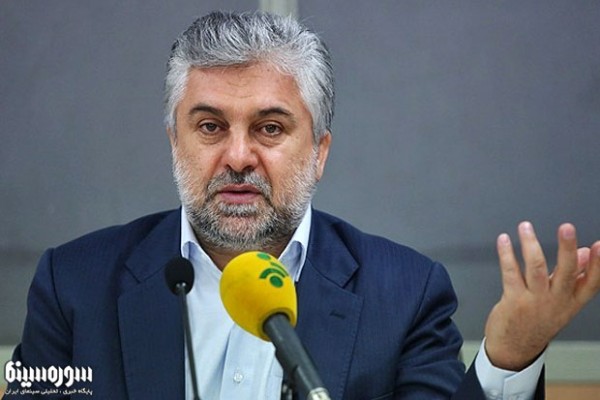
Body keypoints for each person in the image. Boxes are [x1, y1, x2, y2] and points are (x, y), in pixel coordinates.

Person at [4, 10, 599, 400]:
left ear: (318, 153)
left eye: (269, 128)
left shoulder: (404, 295)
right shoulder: (74, 285)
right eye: (210, 126)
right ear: (173, 142)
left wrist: (509, 359)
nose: (238, 156)